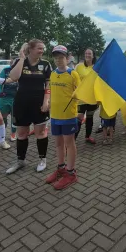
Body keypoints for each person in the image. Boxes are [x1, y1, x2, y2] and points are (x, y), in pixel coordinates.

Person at [6, 40, 52, 175]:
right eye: (39, 48)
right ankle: (21, 161)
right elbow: (13, 77)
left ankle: (42, 159)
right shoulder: (20, 62)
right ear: (30, 49)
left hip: (39, 103)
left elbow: (48, 85)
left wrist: (46, 102)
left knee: (41, 133)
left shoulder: (45, 64)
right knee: (21, 134)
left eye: (43, 48)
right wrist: (21, 58)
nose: (42, 51)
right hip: (21, 103)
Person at [45, 45, 80, 190]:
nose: (58, 60)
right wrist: (46, 102)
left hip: (68, 116)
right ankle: (61, 168)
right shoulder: (53, 74)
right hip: (55, 115)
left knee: (69, 143)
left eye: (61, 57)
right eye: (56, 58)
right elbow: (50, 91)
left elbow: (80, 93)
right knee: (58, 144)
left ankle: (71, 173)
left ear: (67, 58)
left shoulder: (73, 74)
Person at [75, 48, 98, 143]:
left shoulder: (97, 67)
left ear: (93, 56)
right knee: (79, 117)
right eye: (86, 53)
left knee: (90, 117)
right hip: (81, 97)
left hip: (93, 97)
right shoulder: (79, 66)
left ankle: (87, 137)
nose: (87, 55)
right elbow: (73, 79)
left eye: (90, 53)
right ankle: (72, 140)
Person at [0, 57, 18, 142]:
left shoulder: (22, 71)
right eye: (12, 63)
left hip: (17, 99)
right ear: (10, 63)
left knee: (14, 118)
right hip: (5, 97)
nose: (14, 65)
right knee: (1, 117)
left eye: (16, 63)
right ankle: (0, 135)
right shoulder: (5, 70)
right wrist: (0, 91)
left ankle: (13, 134)